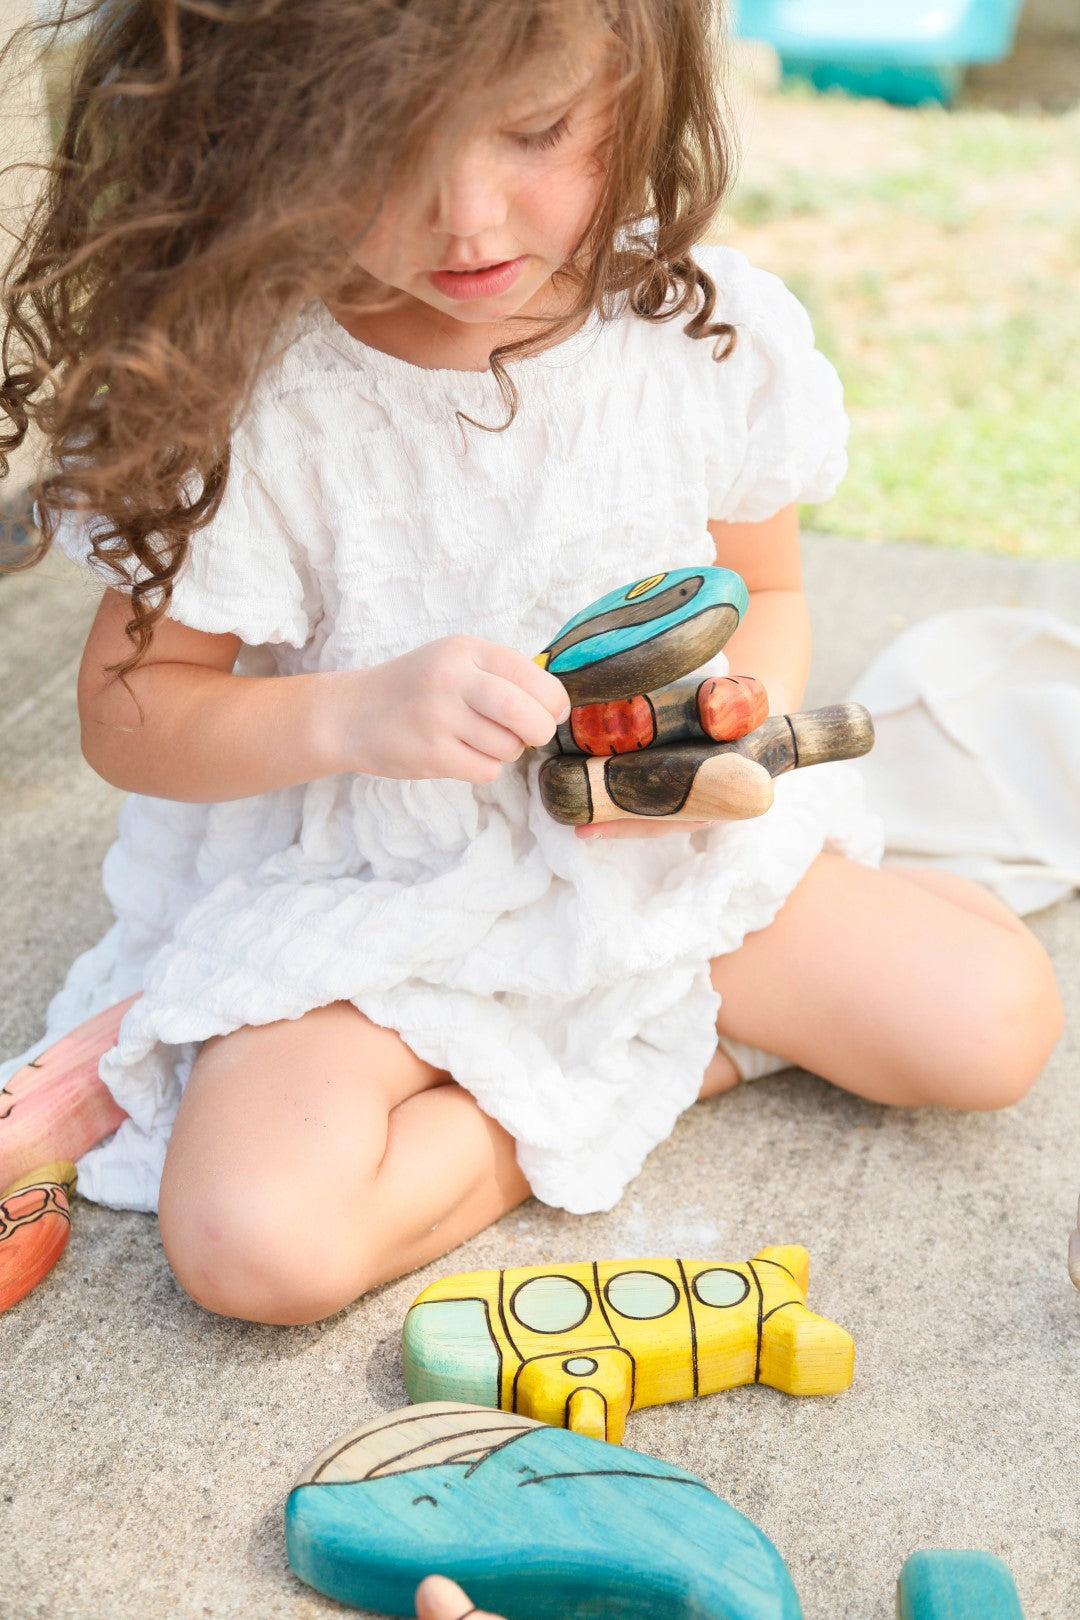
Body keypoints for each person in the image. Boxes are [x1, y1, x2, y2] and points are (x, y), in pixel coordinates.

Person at [1, 0, 1062, 1327]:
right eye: (385, 148)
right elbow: (127, 711)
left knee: (995, 1022)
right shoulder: (256, 394)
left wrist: (736, 725)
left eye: (537, 132)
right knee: (251, 1243)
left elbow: (770, 590)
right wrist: (355, 715)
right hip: (373, 897)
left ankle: (627, 1041)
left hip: (651, 867)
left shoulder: (696, 333)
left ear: (637, 77)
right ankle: (597, 1078)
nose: (471, 220)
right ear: (258, 129)